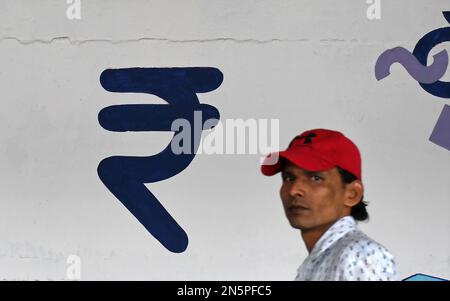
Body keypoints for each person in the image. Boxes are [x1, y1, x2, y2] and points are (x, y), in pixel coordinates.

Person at [261, 128, 399, 281]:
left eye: (316, 178)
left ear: (352, 194)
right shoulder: (322, 258)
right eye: (288, 178)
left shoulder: (361, 255)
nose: (294, 190)